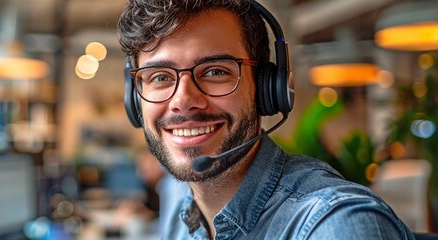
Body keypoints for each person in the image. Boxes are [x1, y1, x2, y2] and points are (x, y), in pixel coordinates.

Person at [117, 0, 415, 239]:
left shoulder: (334, 225)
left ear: (266, 87)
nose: (183, 100)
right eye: (159, 77)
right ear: (135, 99)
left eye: (215, 71)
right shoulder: (184, 216)